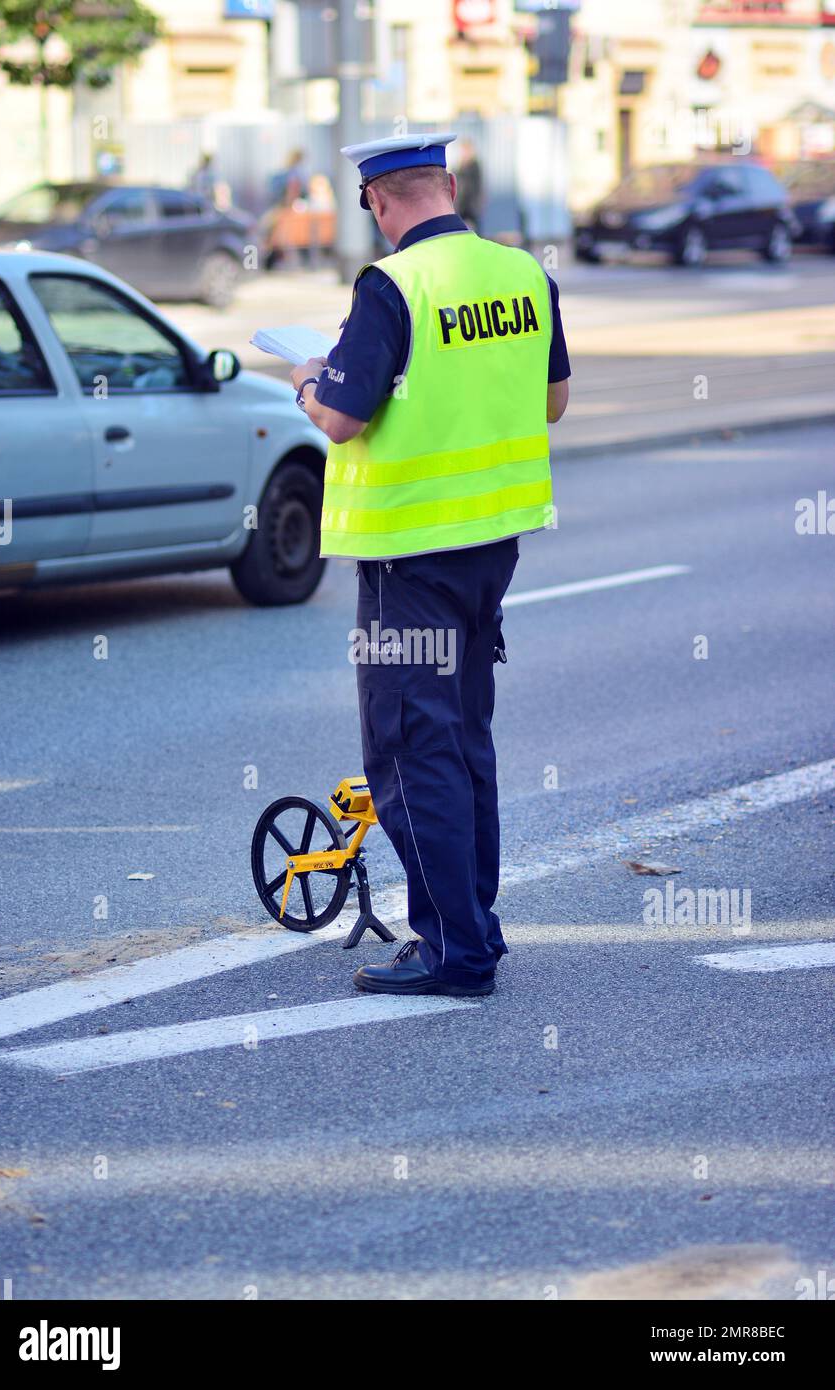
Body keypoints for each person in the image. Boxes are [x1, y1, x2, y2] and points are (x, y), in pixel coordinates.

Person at [290, 133, 570, 998]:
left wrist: (307, 377)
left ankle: (456, 950)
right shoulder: (523, 274)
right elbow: (553, 400)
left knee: (413, 752)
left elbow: (338, 418)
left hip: (409, 556)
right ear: (448, 185)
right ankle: (472, 926)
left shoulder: (391, 286)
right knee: (462, 740)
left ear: (377, 203)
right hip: (493, 547)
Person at [454, 138, 484, 231]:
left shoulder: (474, 167)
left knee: (475, 231)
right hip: (461, 206)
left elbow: (477, 187)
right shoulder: (459, 167)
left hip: (471, 207)